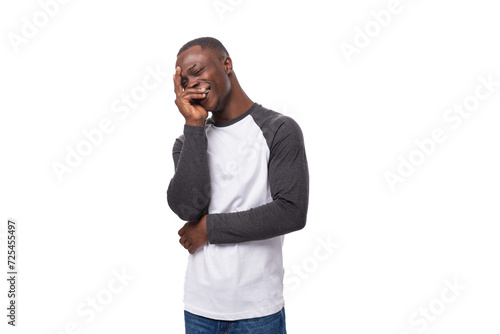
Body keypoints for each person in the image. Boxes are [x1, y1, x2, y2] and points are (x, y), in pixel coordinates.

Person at [166, 36, 309, 334]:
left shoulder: (279, 130)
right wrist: (194, 126)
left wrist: (208, 229)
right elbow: (187, 207)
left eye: (198, 71)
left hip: (258, 311)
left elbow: (290, 212)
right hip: (199, 308)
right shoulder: (187, 142)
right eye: (184, 81)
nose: (194, 84)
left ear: (226, 64)